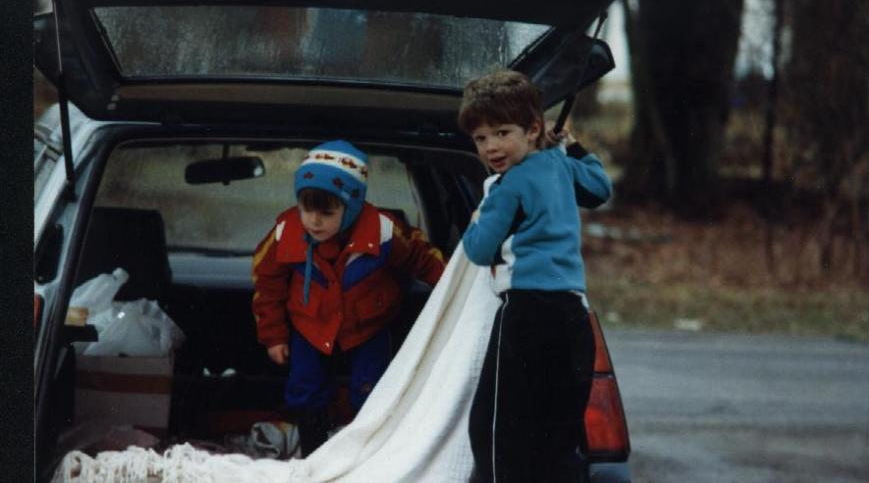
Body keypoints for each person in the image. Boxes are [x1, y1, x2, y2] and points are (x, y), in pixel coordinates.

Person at [458, 71, 612, 483]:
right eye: (480, 138)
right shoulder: (560, 165)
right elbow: (600, 188)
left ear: (533, 129)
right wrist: (572, 145)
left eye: (501, 133)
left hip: (526, 315)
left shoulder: (506, 187)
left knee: (495, 429)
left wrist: (475, 220)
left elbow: (479, 250)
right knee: (556, 435)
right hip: (573, 316)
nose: (491, 147)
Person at [251, 140, 446, 457]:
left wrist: (451, 285)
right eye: (306, 209)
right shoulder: (286, 232)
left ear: (351, 206)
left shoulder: (382, 231)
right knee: (305, 389)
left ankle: (364, 455)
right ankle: (315, 453)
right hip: (309, 326)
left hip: (369, 327)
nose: (314, 221)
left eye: (326, 213)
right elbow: (267, 283)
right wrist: (274, 336)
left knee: (372, 391)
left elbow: (422, 259)